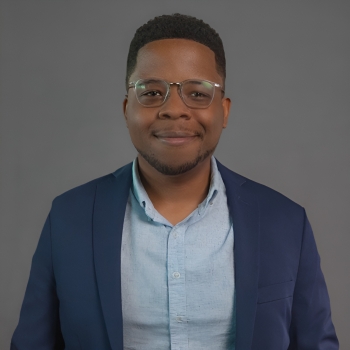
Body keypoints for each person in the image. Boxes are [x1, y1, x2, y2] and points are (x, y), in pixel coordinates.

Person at [11, 13, 338, 350]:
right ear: (127, 110)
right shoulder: (69, 218)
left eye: (197, 94)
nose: (174, 109)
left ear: (224, 112)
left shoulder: (284, 222)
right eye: (152, 92)